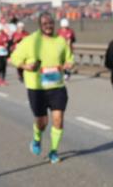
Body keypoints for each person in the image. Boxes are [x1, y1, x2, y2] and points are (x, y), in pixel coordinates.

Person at [10, 12, 74, 164]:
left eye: (50, 23)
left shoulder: (60, 41)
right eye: (45, 24)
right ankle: (37, 138)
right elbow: (14, 58)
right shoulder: (30, 41)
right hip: (37, 88)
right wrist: (26, 66)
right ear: (40, 25)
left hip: (57, 86)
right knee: (42, 122)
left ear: (54, 24)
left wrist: (69, 64)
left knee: (58, 119)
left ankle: (53, 151)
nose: (48, 26)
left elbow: (69, 58)